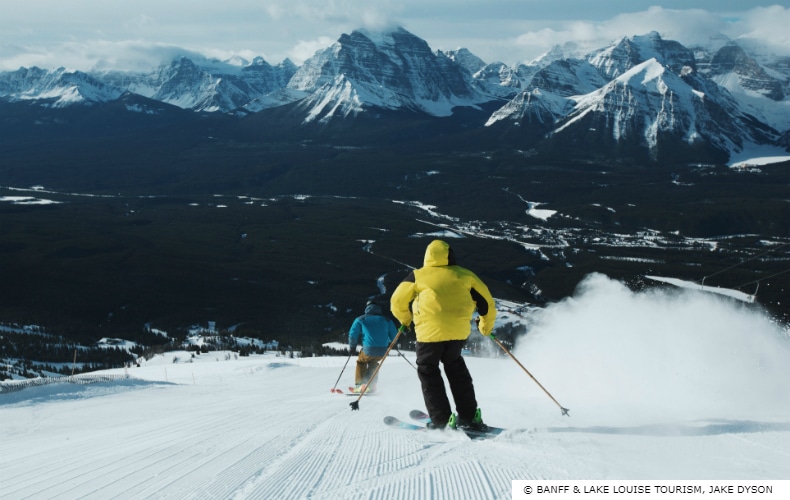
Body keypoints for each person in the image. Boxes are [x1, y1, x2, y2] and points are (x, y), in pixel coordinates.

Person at [390, 240, 496, 431]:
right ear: (451, 255)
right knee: (456, 368)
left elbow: (397, 302)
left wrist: (406, 320)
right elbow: (487, 303)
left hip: (428, 334)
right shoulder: (466, 275)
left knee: (428, 370)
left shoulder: (417, 275)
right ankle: (470, 417)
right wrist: (485, 328)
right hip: (457, 334)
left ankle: (441, 420)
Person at [348, 300, 398, 393]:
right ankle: (371, 386)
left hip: (368, 350)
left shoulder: (360, 319)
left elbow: (352, 334)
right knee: (373, 363)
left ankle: (360, 386)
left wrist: (352, 347)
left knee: (361, 362)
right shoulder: (387, 320)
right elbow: (395, 335)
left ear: (367, 308)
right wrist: (393, 344)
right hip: (382, 351)